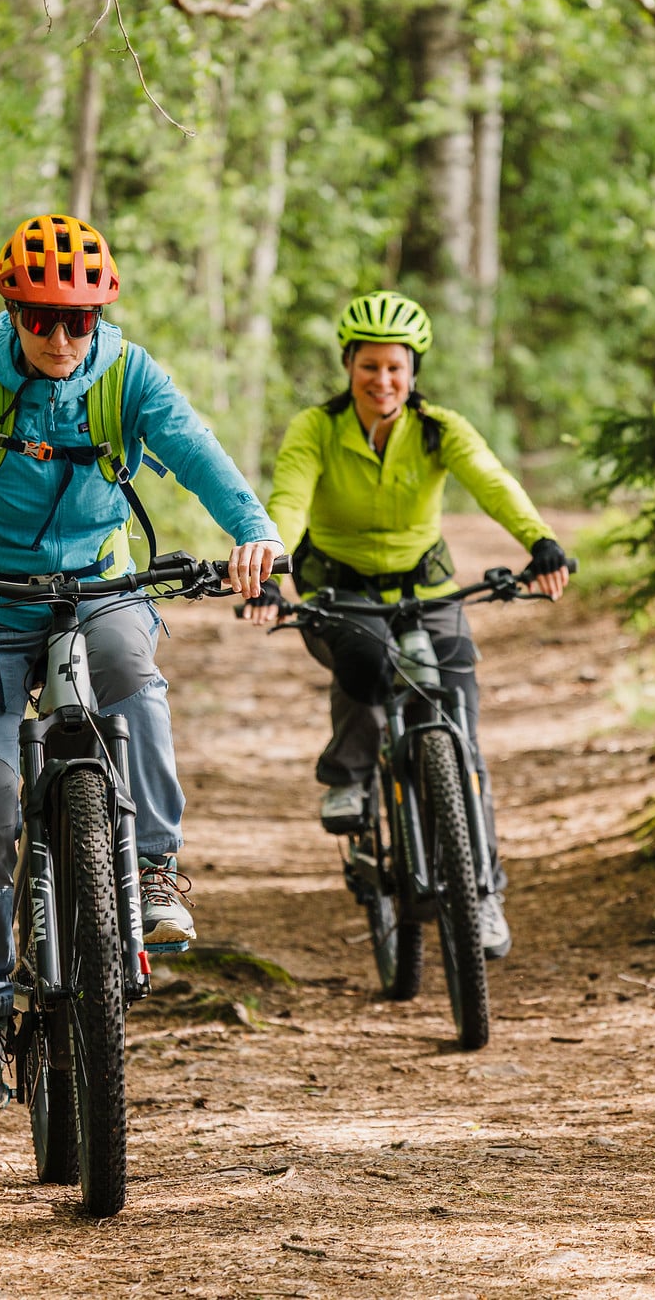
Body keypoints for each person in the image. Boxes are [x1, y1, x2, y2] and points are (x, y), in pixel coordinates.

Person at [0, 214, 282, 1111]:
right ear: (13, 312)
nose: (62, 337)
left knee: (133, 682)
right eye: (42, 318)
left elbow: (200, 455)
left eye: (80, 320)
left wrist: (255, 532)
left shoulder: (126, 374)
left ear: (101, 317)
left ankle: (152, 867)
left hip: (100, 592)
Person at [244, 290, 569, 961]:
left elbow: (492, 480)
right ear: (348, 366)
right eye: (369, 367)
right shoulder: (316, 429)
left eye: (395, 368)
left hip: (427, 590)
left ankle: (482, 894)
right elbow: (289, 500)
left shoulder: (438, 428)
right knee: (366, 662)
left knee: (462, 726)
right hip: (339, 589)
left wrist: (539, 541)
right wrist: (274, 569)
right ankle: (350, 777)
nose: (383, 381)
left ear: (413, 370)